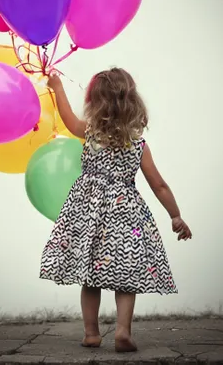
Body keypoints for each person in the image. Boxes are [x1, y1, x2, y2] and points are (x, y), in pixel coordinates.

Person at [39, 68, 192, 353]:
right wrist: (175, 215)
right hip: (126, 215)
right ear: (132, 103)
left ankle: (91, 333)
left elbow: (67, 117)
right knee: (126, 275)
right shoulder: (138, 145)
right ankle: (123, 331)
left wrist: (57, 86)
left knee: (90, 275)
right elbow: (158, 185)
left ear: (95, 102)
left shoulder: (89, 133)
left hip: (89, 213)